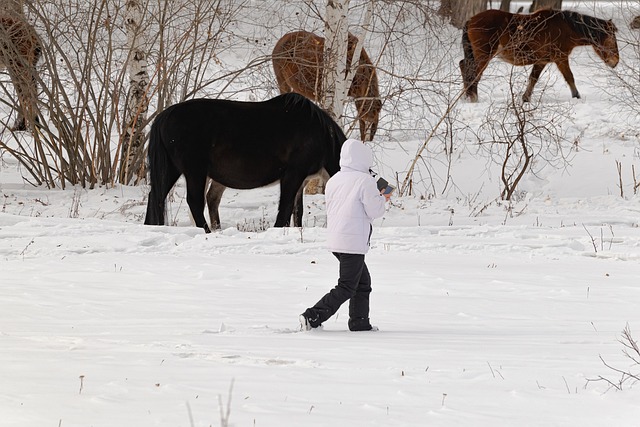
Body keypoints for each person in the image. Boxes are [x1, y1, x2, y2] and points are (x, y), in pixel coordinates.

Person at [300, 138, 391, 332]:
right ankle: (313, 315)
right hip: (353, 242)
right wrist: (384, 196)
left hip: (337, 240)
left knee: (363, 282)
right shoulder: (365, 181)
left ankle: (359, 322)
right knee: (347, 286)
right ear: (365, 158)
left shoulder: (334, 180)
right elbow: (374, 211)